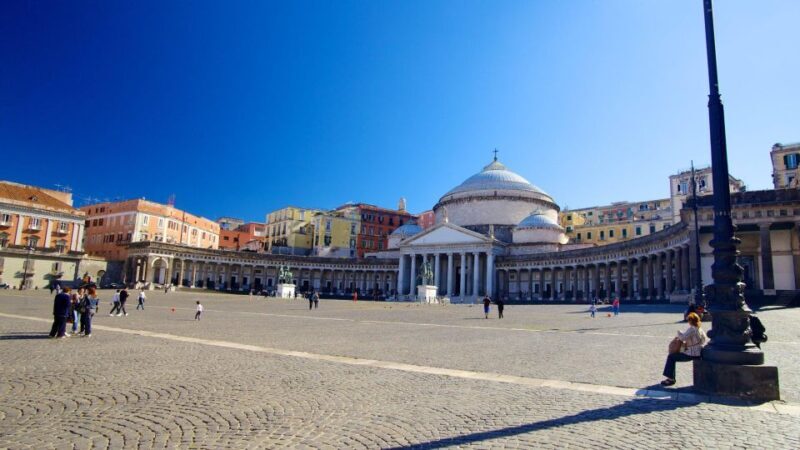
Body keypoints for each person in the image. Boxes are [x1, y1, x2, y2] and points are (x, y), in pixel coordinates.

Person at [661, 312, 708, 386]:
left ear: (690, 321)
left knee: (671, 357)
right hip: (699, 352)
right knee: (673, 357)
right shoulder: (700, 329)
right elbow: (703, 339)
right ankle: (670, 378)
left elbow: (683, 337)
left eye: (689, 320)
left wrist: (679, 332)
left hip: (691, 354)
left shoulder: (692, 329)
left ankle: (670, 379)